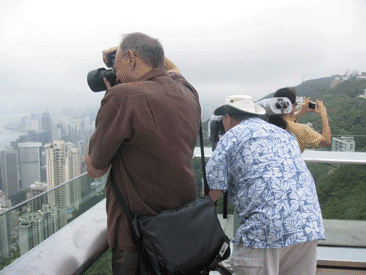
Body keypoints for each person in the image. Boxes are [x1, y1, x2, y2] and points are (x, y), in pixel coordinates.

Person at [85, 32, 201, 274]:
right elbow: (173, 69)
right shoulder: (188, 93)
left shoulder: (121, 97)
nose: (114, 73)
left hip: (137, 241)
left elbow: (95, 169)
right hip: (181, 233)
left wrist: (108, 106)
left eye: (116, 63)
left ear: (130, 58)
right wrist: (145, 53)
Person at [206, 95, 325, 275]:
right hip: (307, 227)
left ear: (227, 118)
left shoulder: (231, 138)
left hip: (264, 232)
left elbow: (211, 194)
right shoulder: (285, 135)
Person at [268, 87, 331, 153]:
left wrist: (300, 111)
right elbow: (327, 141)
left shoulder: (268, 122)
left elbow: (285, 120)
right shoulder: (303, 130)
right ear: (292, 106)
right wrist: (324, 114)